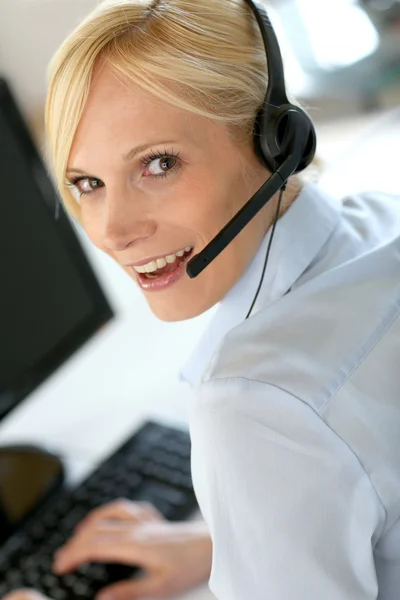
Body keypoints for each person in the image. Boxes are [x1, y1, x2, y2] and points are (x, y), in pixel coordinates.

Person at [3, 0, 400, 598]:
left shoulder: (257, 411)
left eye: (158, 164)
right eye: (89, 183)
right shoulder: (381, 224)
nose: (113, 230)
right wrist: (243, 541)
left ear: (274, 140)